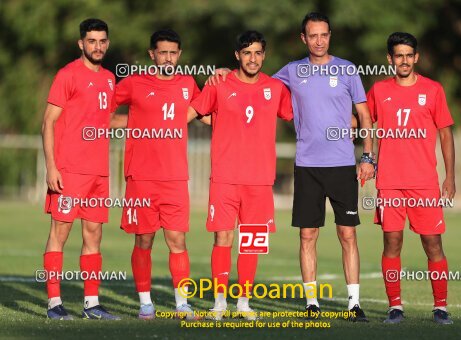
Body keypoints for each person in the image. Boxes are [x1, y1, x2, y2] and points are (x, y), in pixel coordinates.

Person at [272, 12, 375, 321]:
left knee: (347, 234)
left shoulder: (347, 70)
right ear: (303, 38)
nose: (319, 40)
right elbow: (258, 86)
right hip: (307, 165)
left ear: (330, 35)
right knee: (307, 236)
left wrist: (368, 157)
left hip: (342, 164)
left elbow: (365, 116)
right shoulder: (292, 71)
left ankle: (354, 304)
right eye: (313, 35)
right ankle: (311, 304)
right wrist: (225, 72)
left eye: (324, 35)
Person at [188, 30, 293, 320]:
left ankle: (244, 302)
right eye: (247, 53)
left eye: (258, 53)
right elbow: (191, 112)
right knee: (223, 237)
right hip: (224, 176)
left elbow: (298, 113)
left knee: (251, 240)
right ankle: (220, 302)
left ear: (264, 55)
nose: (253, 58)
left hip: (260, 178)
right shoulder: (220, 83)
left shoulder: (275, 87)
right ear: (237, 56)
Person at [113, 29, 205, 320]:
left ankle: (182, 305)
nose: (168, 58)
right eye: (162, 52)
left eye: (173, 53)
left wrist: (225, 76)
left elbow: (207, 109)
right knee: (144, 240)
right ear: (152, 54)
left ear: (179, 55)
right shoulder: (134, 82)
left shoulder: (188, 83)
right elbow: (104, 110)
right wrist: (134, 122)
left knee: (177, 240)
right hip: (141, 177)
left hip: (176, 177)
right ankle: (145, 304)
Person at [367, 32, 455, 324]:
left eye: (408, 55)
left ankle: (440, 307)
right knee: (392, 242)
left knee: (433, 244)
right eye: (398, 55)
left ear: (416, 57)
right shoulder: (379, 90)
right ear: (389, 59)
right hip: (389, 182)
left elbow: (445, 133)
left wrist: (450, 176)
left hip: (425, 182)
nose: (403, 60)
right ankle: (395, 307)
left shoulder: (433, 90)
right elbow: (361, 119)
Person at [42, 18, 119, 320]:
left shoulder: (110, 79)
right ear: (81, 44)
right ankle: (54, 304)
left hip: (99, 172)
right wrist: (51, 167)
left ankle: (91, 303)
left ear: (107, 44)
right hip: (69, 170)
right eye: (91, 41)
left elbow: (108, 120)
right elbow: (48, 121)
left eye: (102, 41)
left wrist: (152, 121)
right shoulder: (67, 75)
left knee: (93, 235)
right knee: (60, 232)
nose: (97, 46)